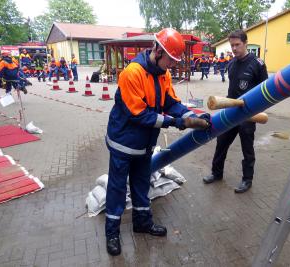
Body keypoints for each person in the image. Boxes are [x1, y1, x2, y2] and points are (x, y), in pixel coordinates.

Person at [105, 28, 210, 256]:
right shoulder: (132, 73)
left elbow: (171, 102)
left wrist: (193, 115)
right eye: (170, 60)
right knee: (117, 187)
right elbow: (139, 114)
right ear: (158, 50)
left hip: (143, 144)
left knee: (142, 184)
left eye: (174, 61)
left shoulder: (164, 74)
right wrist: (176, 122)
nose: (172, 65)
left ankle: (142, 222)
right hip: (123, 143)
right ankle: (111, 233)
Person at [203, 30, 268, 193]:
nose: (234, 48)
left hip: (248, 115)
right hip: (231, 113)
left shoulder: (257, 64)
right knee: (221, 143)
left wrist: (257, 111)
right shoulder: (231, 64)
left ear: (246, 43)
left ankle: (247, 180)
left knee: (247, 148)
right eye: (232, 45)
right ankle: (216, 173)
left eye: (237, 45)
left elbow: (266, 90)